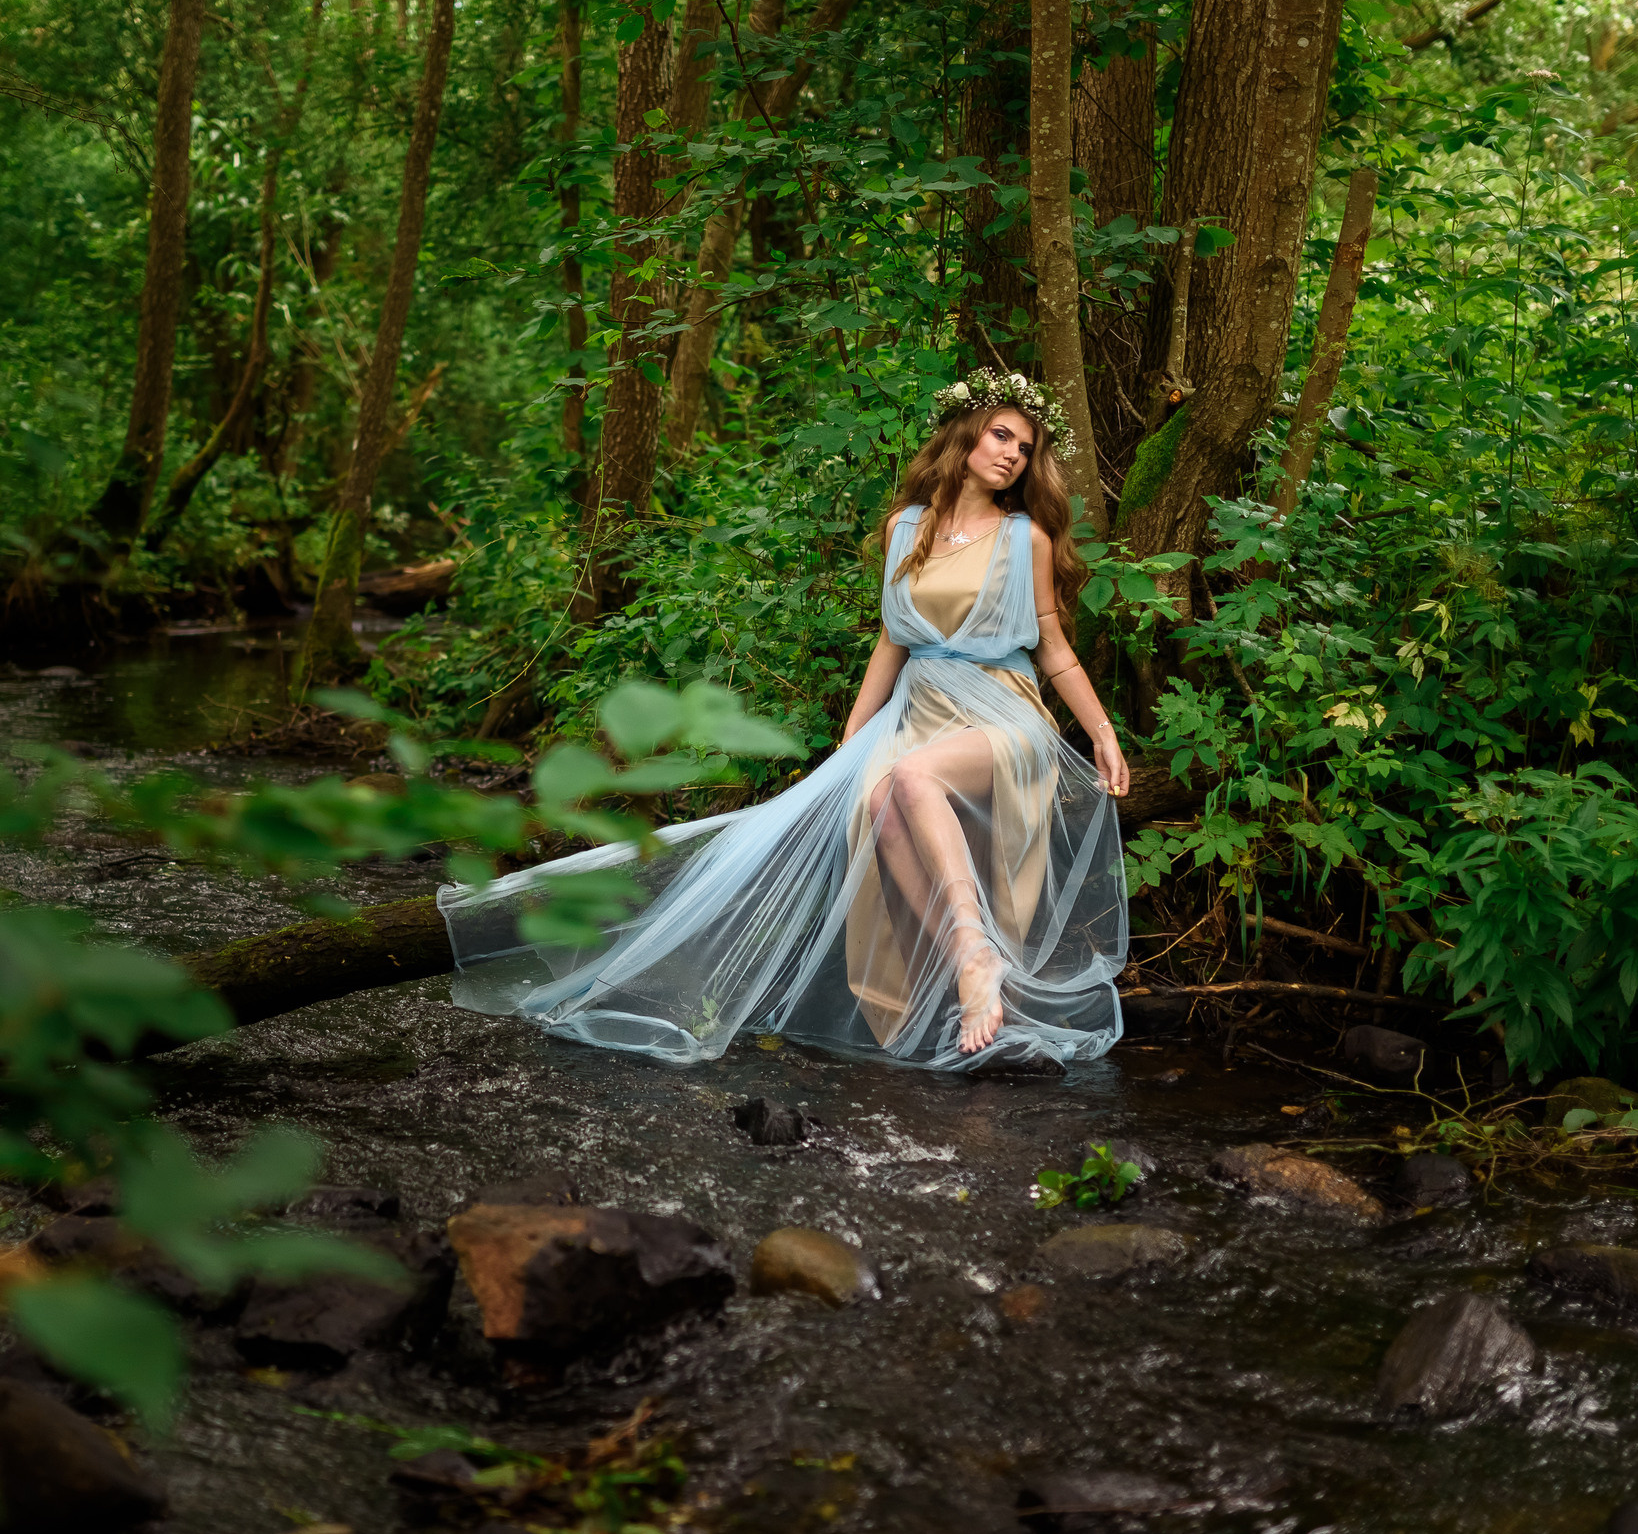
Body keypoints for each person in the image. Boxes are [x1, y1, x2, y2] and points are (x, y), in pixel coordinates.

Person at [441, 368, 1131, 1073]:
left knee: (912, 778)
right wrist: (851, 741)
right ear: (964, 434)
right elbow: (891, 642)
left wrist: (1103, 734)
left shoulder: (1025, 537)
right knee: (881, 804)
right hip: (920, 708)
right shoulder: (906, 529)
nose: (1013, 453)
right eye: (1001, 434)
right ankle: (963, 964)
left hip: (1002, 711)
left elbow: (1053, 648)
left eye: (1025, 446)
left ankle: (978, 954)